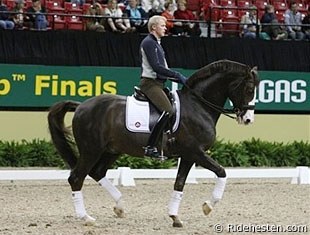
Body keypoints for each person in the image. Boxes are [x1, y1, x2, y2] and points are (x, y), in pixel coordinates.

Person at [139, 15, 187, 158]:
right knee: (168, 110)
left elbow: (162, 69)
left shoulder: (157, 43)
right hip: (150, 84)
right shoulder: (149, 43)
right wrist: (177, 75)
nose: (165, 28)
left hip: (159, 83)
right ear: (154, 27)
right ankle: (150, 146)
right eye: (163, 26)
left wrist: (178, 79)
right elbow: (157, 67)